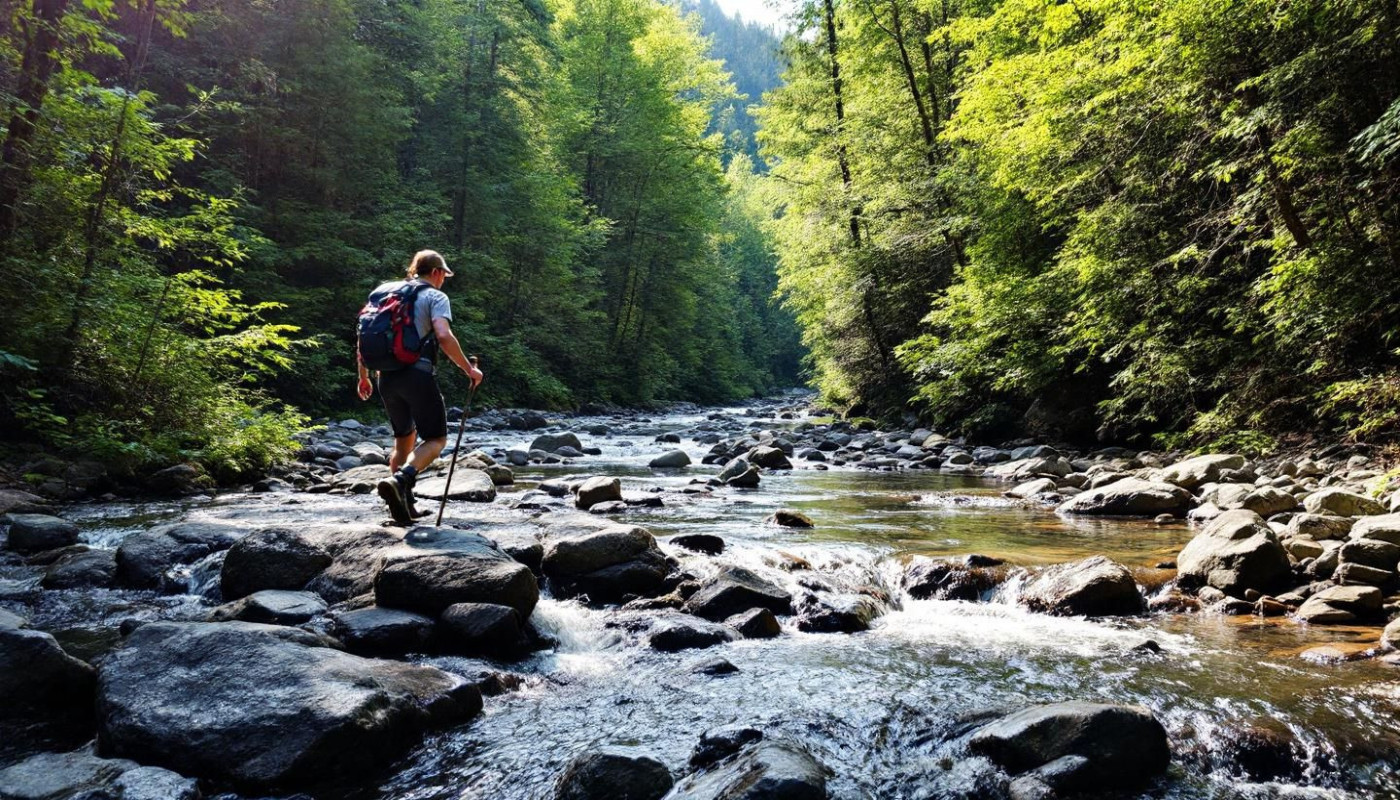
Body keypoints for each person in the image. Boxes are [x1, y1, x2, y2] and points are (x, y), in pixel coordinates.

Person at [357, 250, 483, 524]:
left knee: (403, 439)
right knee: (436, 439)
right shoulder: (435, 297)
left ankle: (405, 509)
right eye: (444, 276)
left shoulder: (384, 292)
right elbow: (443, 335)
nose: (444, 281)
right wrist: (469, 369)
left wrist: (363, 376)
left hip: (385, 376)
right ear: (437, 272)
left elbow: (365, 333)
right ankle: (401, 479)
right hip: (417, 375)